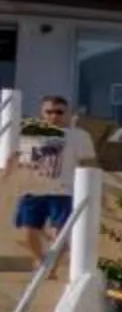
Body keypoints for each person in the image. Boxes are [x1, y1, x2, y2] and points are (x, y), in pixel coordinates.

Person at [15, 94, 73, 266]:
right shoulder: (29, 135)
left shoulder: (74, 136)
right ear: (42, 113)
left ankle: (52, 267)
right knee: (27, 231)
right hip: (34, 189)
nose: (54, 116)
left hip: (62, 191)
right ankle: (43, 262)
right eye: (49, 112)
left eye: (59, 112)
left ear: (67, 113)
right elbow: (20, 159)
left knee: (59, 233)